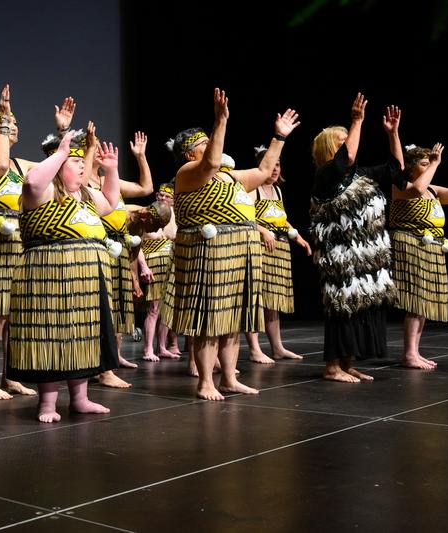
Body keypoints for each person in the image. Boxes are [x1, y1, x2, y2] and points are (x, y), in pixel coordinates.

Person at [170, 88, 300, 400]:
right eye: (202, 143)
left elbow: (264, 171)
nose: (210, 146)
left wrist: (278, 137)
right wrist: (221, 120)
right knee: (210, 320)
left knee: (233, 319)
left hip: (239, 252)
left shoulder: (228, 177)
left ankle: (228, 378)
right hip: (209, 253)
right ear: (189, 153)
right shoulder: (188, 172)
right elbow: (211, 161)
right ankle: (205, 382)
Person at [0, 86, 74, 400]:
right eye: (6, 124)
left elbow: (57, 164)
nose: (14, 127)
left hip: (17, 237)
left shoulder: (20, 165)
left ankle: (10, 375)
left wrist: (63, 129)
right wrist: (3, 112)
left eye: (14, 124)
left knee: (15, 311)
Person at [7, 129, 120, 423]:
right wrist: (60, 153)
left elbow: (110, 203)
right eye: (76, 161)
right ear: (58, 166)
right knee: (50, 336)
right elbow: (31, 180)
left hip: (86, 278)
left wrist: (111, 171)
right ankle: (47, 403)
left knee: (81, 337)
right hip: (49, 276)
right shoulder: (43, 192)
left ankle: (80, 399)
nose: (84, 165)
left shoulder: (83, 195)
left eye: (83, 162)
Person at [309, 94, 404, 383]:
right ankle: (332, 367)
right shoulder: (326, 175)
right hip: (340, 260)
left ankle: (347, 363)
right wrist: (357, 120)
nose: (350, 140)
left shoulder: (361, 174)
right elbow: (345, 159)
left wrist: (393, 134)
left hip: (366, 258)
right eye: (342, 138)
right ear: (330, 148)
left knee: (359, 308)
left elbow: (397, 171)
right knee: (341, 309)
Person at [390, 142, 448, 369]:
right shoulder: (402, 186)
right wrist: (435, 162)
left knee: (424, 302)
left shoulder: (433, 190)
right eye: (424, 163)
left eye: (431, 162)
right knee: (416, 301)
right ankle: (409, 354)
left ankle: (415, 352)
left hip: (433, 247)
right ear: (410, 168)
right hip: (411, 244)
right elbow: (416, 190)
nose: (429, 166)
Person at [84, 127, 155, 386]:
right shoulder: (80, 186)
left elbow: (146, 187)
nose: (100, 152)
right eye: (94, 147)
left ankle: (110, 362)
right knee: (100, 307)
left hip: (118, 247)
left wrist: (140, 156)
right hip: (97, 246)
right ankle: (100, 367)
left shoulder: (108, 182)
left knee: (116, 308)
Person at [245, 146, 311, 363]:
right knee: (256, 299)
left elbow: (281, 219)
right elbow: (244, 217)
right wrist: (263, 231)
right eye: (271, 164)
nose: (274, 169)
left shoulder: (278, 191)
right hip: (261, 248)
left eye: (278, 164)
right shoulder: (252, 190)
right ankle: (255, 349)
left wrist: (297, 237)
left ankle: (278, 347)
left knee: (273, 301)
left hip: (279, 249)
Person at [139, 183, 179, 362]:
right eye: (160, 195)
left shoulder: (174, 217)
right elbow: (137, 243)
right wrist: (143, 266)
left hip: (170, 263)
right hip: (153, 262)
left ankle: (162, 347)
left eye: (167, 196)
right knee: (153, 308)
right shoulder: (145, 214)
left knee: (165, 308)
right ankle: (148, 349)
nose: (162, 198)